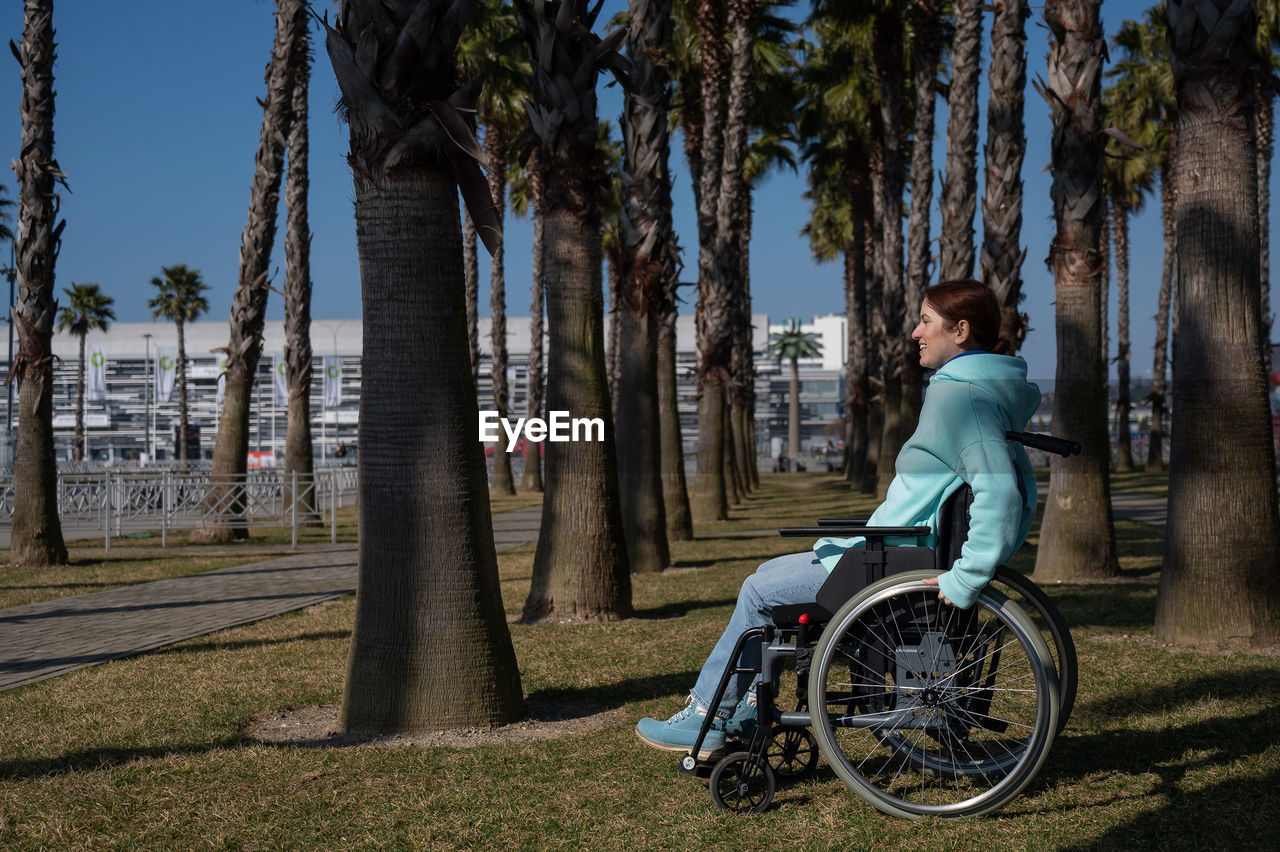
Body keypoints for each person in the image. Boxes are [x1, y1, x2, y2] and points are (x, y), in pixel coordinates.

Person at [635, 279, 1041, 756]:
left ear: (961, 330)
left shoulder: (962, 399)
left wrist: (967, 576)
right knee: (766, 575)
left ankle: (709, 715)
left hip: (893, 564)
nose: (915, 332)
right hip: (897, 552)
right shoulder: (977, 393)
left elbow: (1000, 493)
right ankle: (742, 707)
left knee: (758, 592)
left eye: (926, 321)